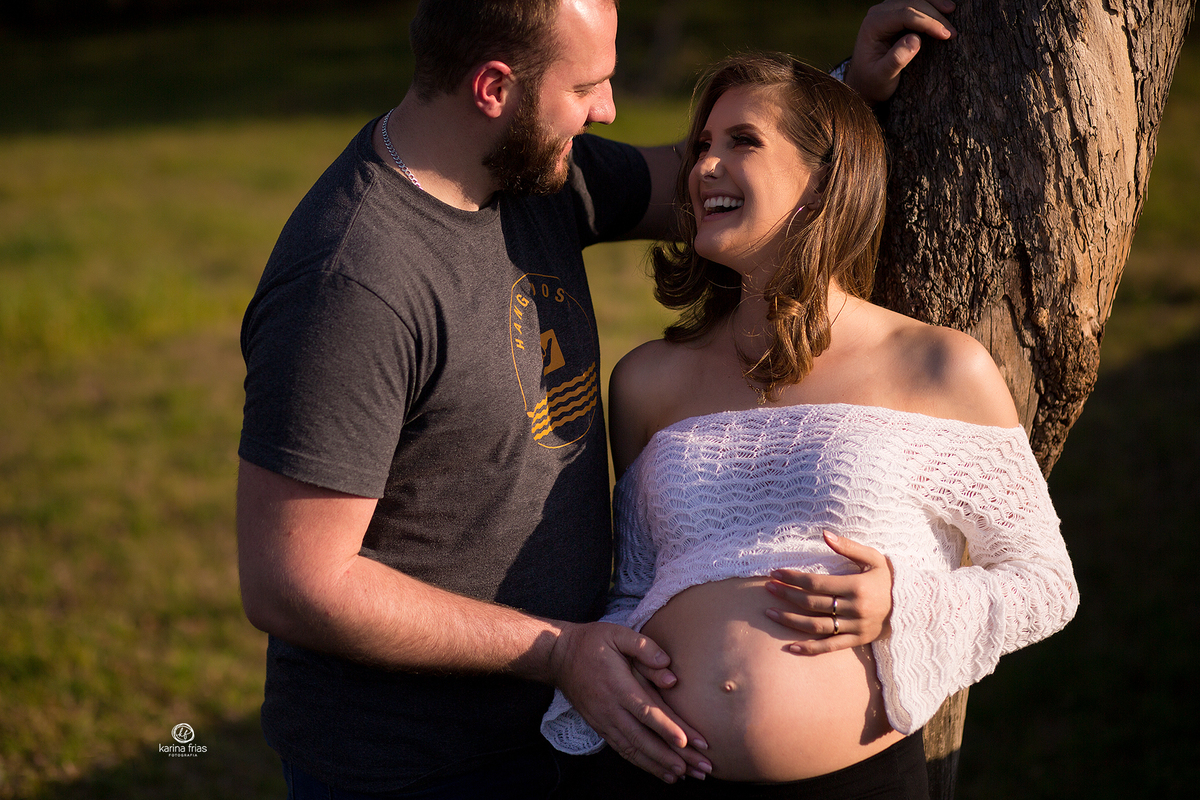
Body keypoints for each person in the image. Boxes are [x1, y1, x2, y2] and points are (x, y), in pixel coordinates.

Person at [235, 0, 960, 797]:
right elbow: (294, 582)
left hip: (572, 727)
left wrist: (846, 90)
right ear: (493, 87)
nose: (607, 111)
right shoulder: (355, 281)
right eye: (588, 86)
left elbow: (700, 181)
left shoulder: (536, 171)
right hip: (416, 762)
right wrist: (555, 650)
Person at [541, 52, 1079, 798]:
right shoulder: (646, 381)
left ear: (825, 178)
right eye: (701, 147)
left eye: (742, 143)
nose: (703, 167)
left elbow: (1045, 582)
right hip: (656, 774)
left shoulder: (938, 367)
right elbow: (637, 587)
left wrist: (904, 603)